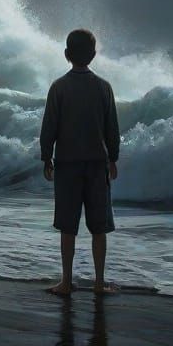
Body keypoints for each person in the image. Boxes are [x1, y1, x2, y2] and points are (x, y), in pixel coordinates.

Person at [39, 29, 120, 296]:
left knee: (67, 226)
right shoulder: (104, 87)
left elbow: (49, 126)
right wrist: (113, 158)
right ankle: (98, 282)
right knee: (99, 227)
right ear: (94, 55)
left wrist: (46, 157)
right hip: (97, 165)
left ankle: (65, 281)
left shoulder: (58, 87)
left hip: (67, 165)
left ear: (66, 55)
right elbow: (112, 128)